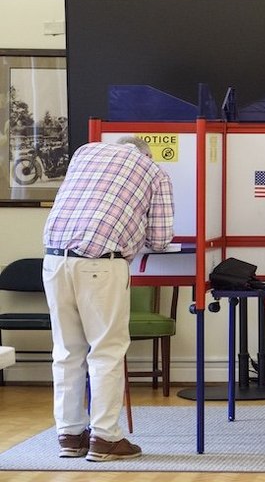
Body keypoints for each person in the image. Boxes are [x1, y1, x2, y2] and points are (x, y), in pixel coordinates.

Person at [42, 136, 174, 462]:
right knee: (106, 352)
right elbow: (160, 239)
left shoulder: (85, 152)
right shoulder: (153, 171)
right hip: (101, 263)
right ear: (146, 153)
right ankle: (105, 438)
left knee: (67, 351)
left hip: (54, 260)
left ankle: (70, 435)